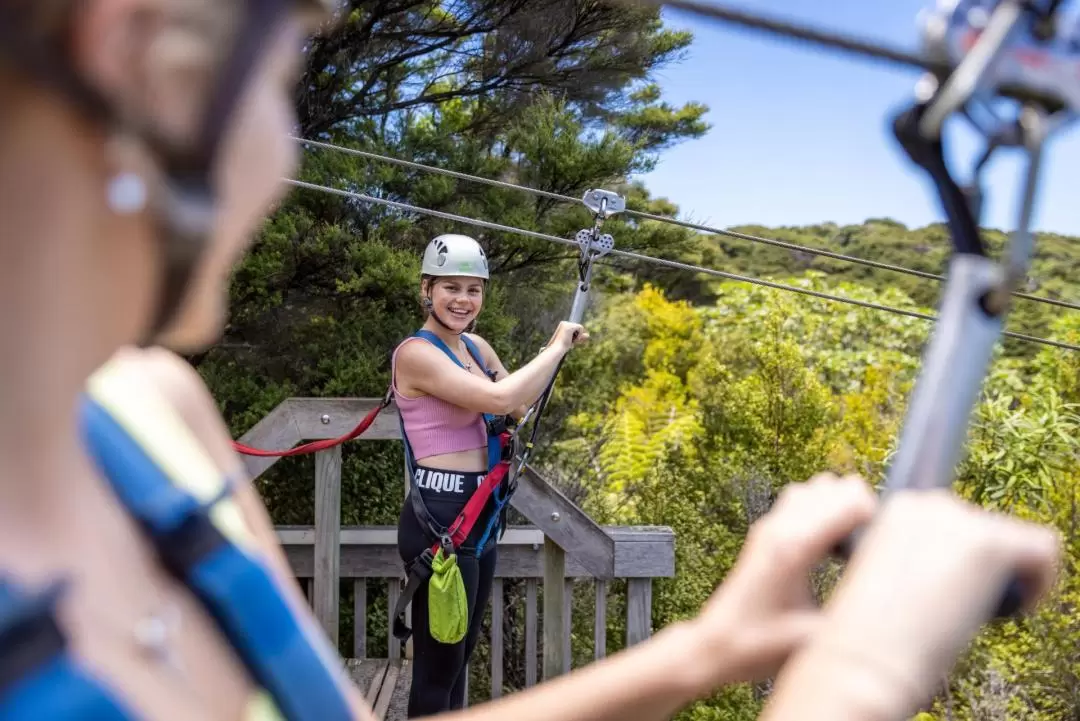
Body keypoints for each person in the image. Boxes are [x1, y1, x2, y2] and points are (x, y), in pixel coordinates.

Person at [0, 0, 1061, 719]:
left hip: (470, 503)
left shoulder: (161, 420)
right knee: (442, 652)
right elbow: (505, 393)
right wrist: (860, 675)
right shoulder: (409, 354)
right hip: (440, 513)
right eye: (281, 79)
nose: (280, 153)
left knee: (447, 655)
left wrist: (712, 647)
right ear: (134, 48)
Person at [389, 232, 588, 716]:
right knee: (438, 670)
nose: (462, 300)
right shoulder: (416, 354)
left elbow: (518, 405)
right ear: (426, 289)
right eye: (450, 288)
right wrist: (557, 348)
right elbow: (498, 400)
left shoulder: (476, 349)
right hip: (440, 520)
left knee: (459, 660)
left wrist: (551, 349)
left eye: (473, 289)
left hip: (480, 516)